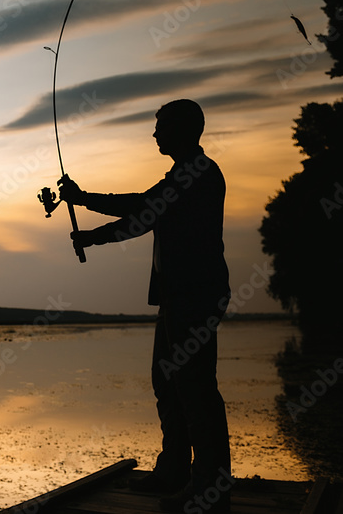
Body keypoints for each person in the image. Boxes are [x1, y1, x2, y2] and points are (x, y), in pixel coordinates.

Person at [59, 99, 232, 514]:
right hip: (177, 296)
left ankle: (209, 486)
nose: (155, 134)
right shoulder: (183, 174)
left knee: (194, 388)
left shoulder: (197, 174)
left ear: (183, 129)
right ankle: (173, 469)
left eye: (161, 126)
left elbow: (141, 207)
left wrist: (83, 200)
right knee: (168, 383)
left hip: (195, 295)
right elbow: (143, 218)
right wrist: (94, 237)